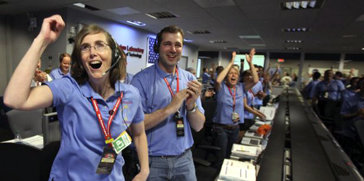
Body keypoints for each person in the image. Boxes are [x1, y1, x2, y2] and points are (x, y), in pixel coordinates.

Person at [3, 15, 149, 181]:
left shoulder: (130, 94)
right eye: (85, 47)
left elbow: (138, 134)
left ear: (114, 55)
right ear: (80, 59)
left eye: (100, 45)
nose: (93, 52)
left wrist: (144, 171)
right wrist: (41, 41)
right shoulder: (69, 88)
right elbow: (13, 99)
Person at [131, 25, 205, 181]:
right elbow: (134, 127)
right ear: (158, 47)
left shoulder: (190, 80)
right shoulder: (140, 81)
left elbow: (198, 126)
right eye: (167, 44)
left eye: (177, 45)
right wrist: (170, 108)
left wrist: (191, 106)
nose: (173, 49)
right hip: (153, 162)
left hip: (185, 160)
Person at [212, 48, 258, 167]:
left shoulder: (241, 87)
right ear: (227, 75)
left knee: (231, 156)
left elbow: (256, 80)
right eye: (230, 73)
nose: (233, 75)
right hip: (221, 128)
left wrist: (250, 62)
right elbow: (217, 79)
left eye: (236, 73)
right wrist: (232, 62)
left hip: (235, 128)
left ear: (238, 77)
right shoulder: (220, 87)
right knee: (221, 159)